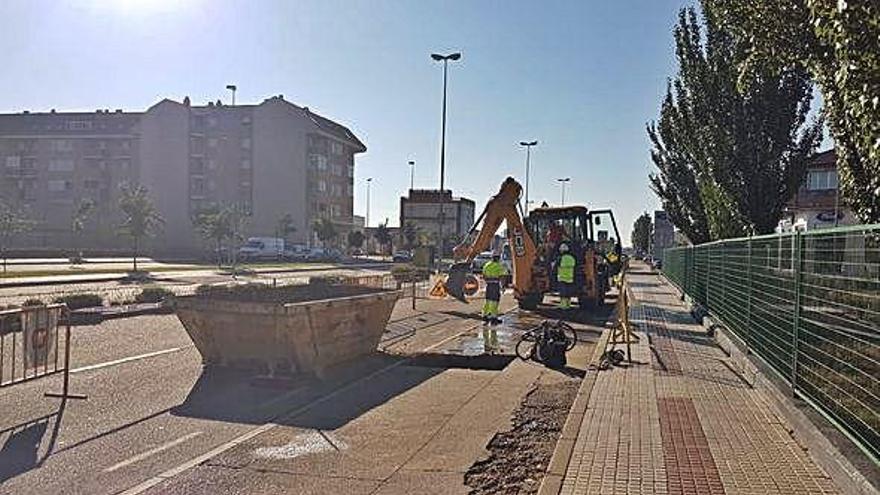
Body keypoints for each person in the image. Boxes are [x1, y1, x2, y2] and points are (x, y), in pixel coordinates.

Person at [481, 253, 508, 349]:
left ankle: (485, 316)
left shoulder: (487, 265)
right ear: (498, 258)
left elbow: (483, 275)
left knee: (488, 301)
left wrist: (488, 280)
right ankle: (493, 318)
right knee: (495, 302)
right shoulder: (499, 266)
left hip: (489, 285)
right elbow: (503, 277)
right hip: (495, 285)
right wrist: (503, 286)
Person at [557, 243, 576, 309]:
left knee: (563, 293)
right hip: (570, 278)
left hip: (562, 278)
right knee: (568, 293)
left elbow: (555, 266)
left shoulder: (560, 258)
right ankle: (568, 305)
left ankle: (563, 305)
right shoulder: (572, 258)